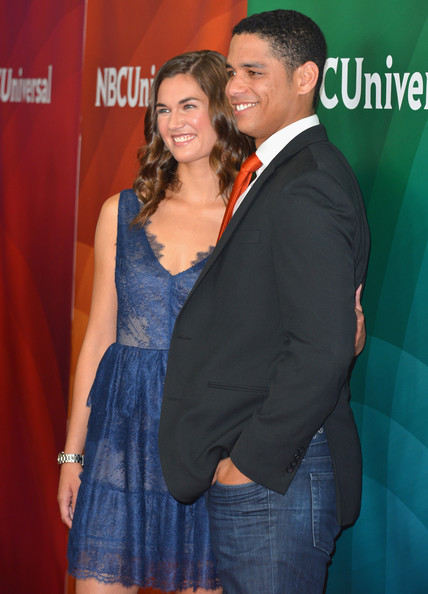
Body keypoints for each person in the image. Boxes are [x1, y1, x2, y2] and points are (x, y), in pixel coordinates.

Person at [159, 10, 370, 594]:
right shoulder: (272, 171)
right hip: (267, 475)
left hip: (278, 478)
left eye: (254, 71)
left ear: (305, 78)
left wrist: (248, 466)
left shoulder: (308, 181)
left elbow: (322, 347)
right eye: (231, 71)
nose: (234, 88)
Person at [57, 50, 253, 594]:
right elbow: (99, 337)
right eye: (162, 109)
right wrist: (72, 453)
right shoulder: (121, 212)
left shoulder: (249, 216)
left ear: (221, 109)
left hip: (206, 444)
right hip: (119, 437)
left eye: (188, 105)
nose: (173, 123)